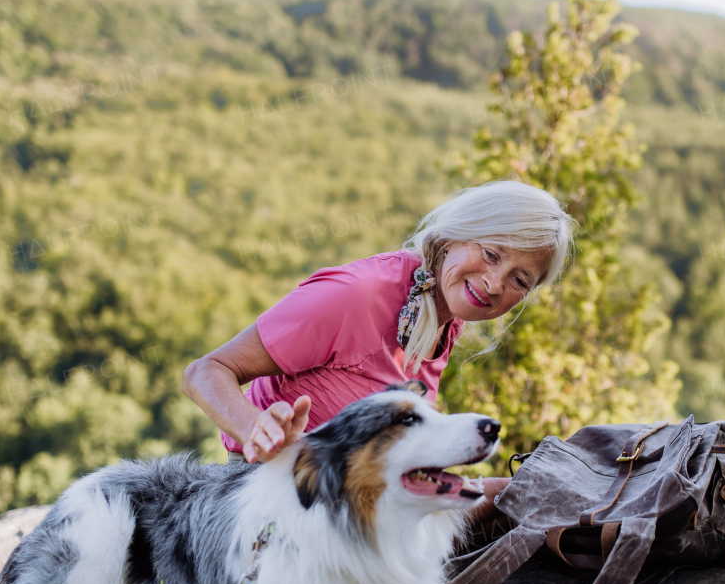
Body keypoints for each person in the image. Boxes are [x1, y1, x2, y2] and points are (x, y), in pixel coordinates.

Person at [181, 180, 575, 520]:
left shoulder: (445, 312)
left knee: (528, 497)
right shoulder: (357, 295)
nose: (493, 284)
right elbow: (206, 371)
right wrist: (257, 430)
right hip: (275, 491)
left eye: (519, 280)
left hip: (359, 500)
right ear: (456, 233)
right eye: (491, 254)